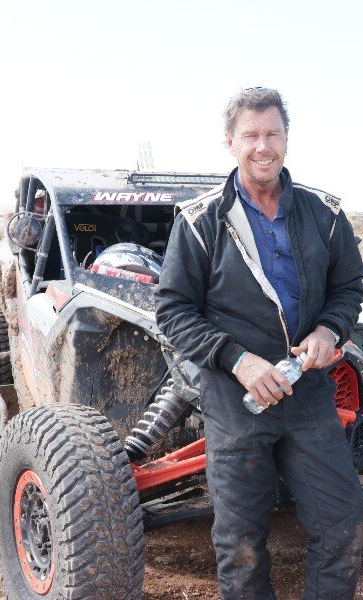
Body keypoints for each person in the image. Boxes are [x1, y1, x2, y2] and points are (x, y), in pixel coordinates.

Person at [155, 87, 363, 599]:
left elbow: (349, 287)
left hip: (308, 392)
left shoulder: (325, 214)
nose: (263, 146)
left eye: (273, 134)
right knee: (241, 543)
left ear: (287, 139)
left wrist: (328, 330)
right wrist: (238, 361)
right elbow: (173, 309)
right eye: (251, 135)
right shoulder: (201, 222)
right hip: (236, 399)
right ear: (230, 142)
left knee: (343, 523)